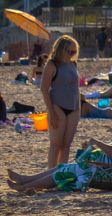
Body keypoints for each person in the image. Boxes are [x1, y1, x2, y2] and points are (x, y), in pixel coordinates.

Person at [6, 118, 112, 192]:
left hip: (106, 176)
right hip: (101, 170)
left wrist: (97, 142)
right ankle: (25, 180)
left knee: (63, 171)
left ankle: (25, 187)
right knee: (62, 167)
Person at [41, 36, 83, 168]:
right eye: (70, 51)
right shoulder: (52, 64)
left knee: (66, 145)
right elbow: (44, 89)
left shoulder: (73, 64)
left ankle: (60, 174)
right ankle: (50, 174)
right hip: (58, 106)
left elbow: (76, 88)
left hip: (74, 107)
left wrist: (79, 110)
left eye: (74, 52)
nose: (72, 54)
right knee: (56, 144)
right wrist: (51, 112)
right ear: (61, 49)